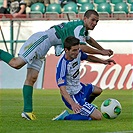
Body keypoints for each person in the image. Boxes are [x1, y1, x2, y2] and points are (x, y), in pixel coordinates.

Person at [0, 9, 113, 120]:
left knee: (32, 78)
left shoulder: (82, 30)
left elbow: (89, 40)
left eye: (97, 21)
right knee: (16, 63)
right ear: (85, 18)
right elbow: (82, 47)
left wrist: (103, 50)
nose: (94, 23)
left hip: (46, 46)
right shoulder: (79, 28)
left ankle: (27, 112)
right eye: (93, 20)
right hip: (42, 39)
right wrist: (101, 52)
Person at [52, 36, 116, 121]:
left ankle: (85, 107)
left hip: (80, 88)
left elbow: (88, 57)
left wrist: (103, 61)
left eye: (78, 49)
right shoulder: (62, 66)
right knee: (98, 117)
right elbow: (62, 90)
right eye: (74, 50)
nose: (77, 52)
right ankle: (66, 116)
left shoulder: (78, 54)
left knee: (98, 91)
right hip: (73, 96)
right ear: (66, 50)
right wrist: (73, 104)